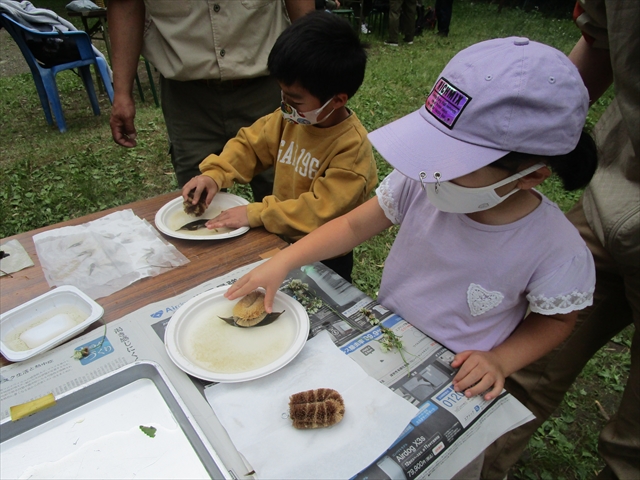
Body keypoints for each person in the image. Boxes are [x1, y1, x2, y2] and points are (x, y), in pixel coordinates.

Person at [223, 36, 598, 478]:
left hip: (456, 378)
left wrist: (502, 360)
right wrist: (285, 261)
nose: (431, 170)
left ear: (530, 175)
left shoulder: (557, 247)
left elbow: (556, 320)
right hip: (385, 340)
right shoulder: (421, 183)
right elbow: (352, 225)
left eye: (454, 162)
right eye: (431, 150)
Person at [481, 2, 639, 479]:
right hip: (612, 192)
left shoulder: (554, 244)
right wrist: (526, 133)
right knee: (525, 369)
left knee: (634, 445)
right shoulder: (563, 245)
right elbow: (601, 47)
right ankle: (476, 466)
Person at [181, 11, 378, 283]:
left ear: (336, 101)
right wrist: (214, 174)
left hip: (325, 256)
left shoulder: (352, 151)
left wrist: (256, 213)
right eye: (282, 94)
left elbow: (319, 212)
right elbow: (250, 145)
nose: (285, 106)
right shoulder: (289, 119)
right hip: (279, 239)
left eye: (295, 100)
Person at [107, 0, 315, 197]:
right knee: (198, 198)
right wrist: (122, 93)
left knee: (284, 194)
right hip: (187, 96)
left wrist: (310, 69)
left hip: (265, 84)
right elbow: (125, 4)